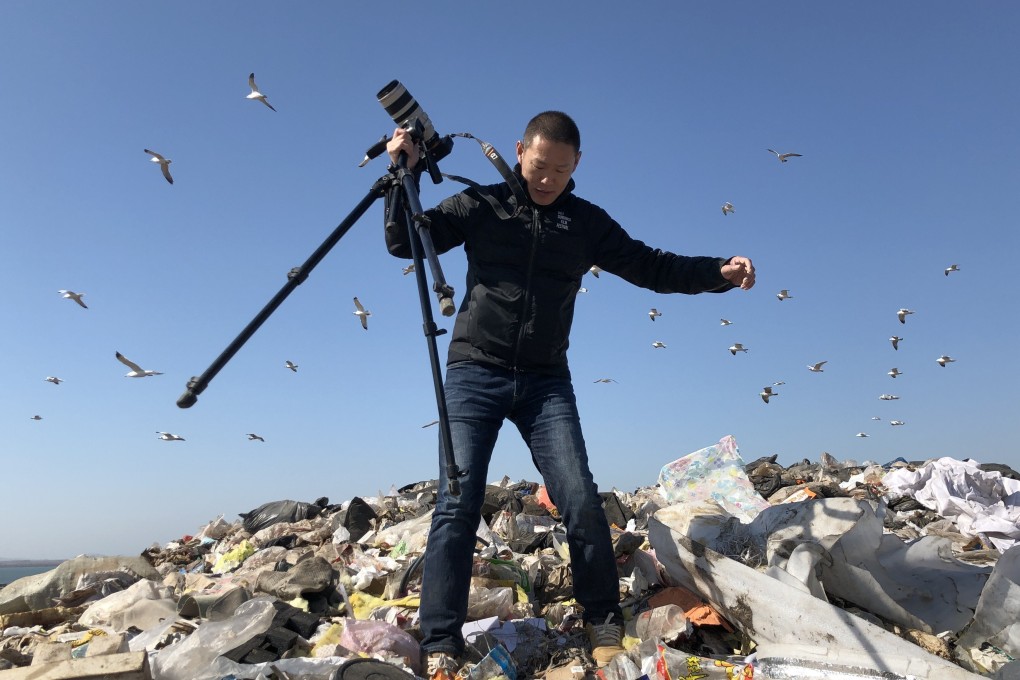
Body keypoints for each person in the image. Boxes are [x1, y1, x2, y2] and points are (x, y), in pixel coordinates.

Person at [384, 112, 755, 676]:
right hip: (473, 372)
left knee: (579, 495)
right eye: (538, 165)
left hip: (544, 381)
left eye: (561, 168)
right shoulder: (481, 205)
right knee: (457, 502)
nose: (547, 178)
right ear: (518, 152)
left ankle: (602, 619)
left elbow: (650, 265)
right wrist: (401, 176)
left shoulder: (585, 223)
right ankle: (440, 640)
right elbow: (405, 240)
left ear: (576, 164)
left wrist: (717, 272)